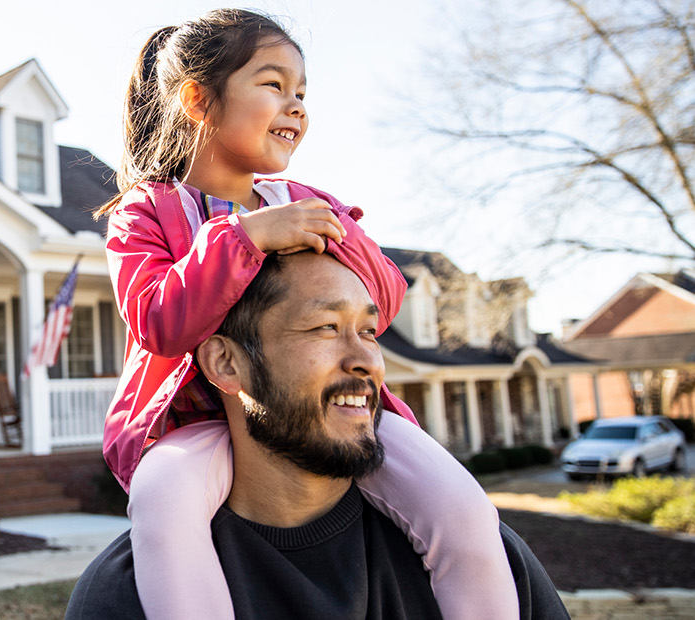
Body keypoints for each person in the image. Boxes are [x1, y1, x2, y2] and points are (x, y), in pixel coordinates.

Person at [95, 9, 518, 620]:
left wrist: (330, 235)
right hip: (198, 423)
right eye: (273, 84)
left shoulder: (309, 202)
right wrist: (244, 238)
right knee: (163, 502)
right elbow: (158, 323)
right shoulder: (145, 213)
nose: (296, 105)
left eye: (301, 92)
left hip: (332, 413)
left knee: (462, 506)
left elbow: (384, 296)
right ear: (198, 99)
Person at [68, 250, 571, 620]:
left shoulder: (480, 556)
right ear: (225, 363)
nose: (367, 360)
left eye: (368, 331)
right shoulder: (127, 596)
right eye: (326, 327)